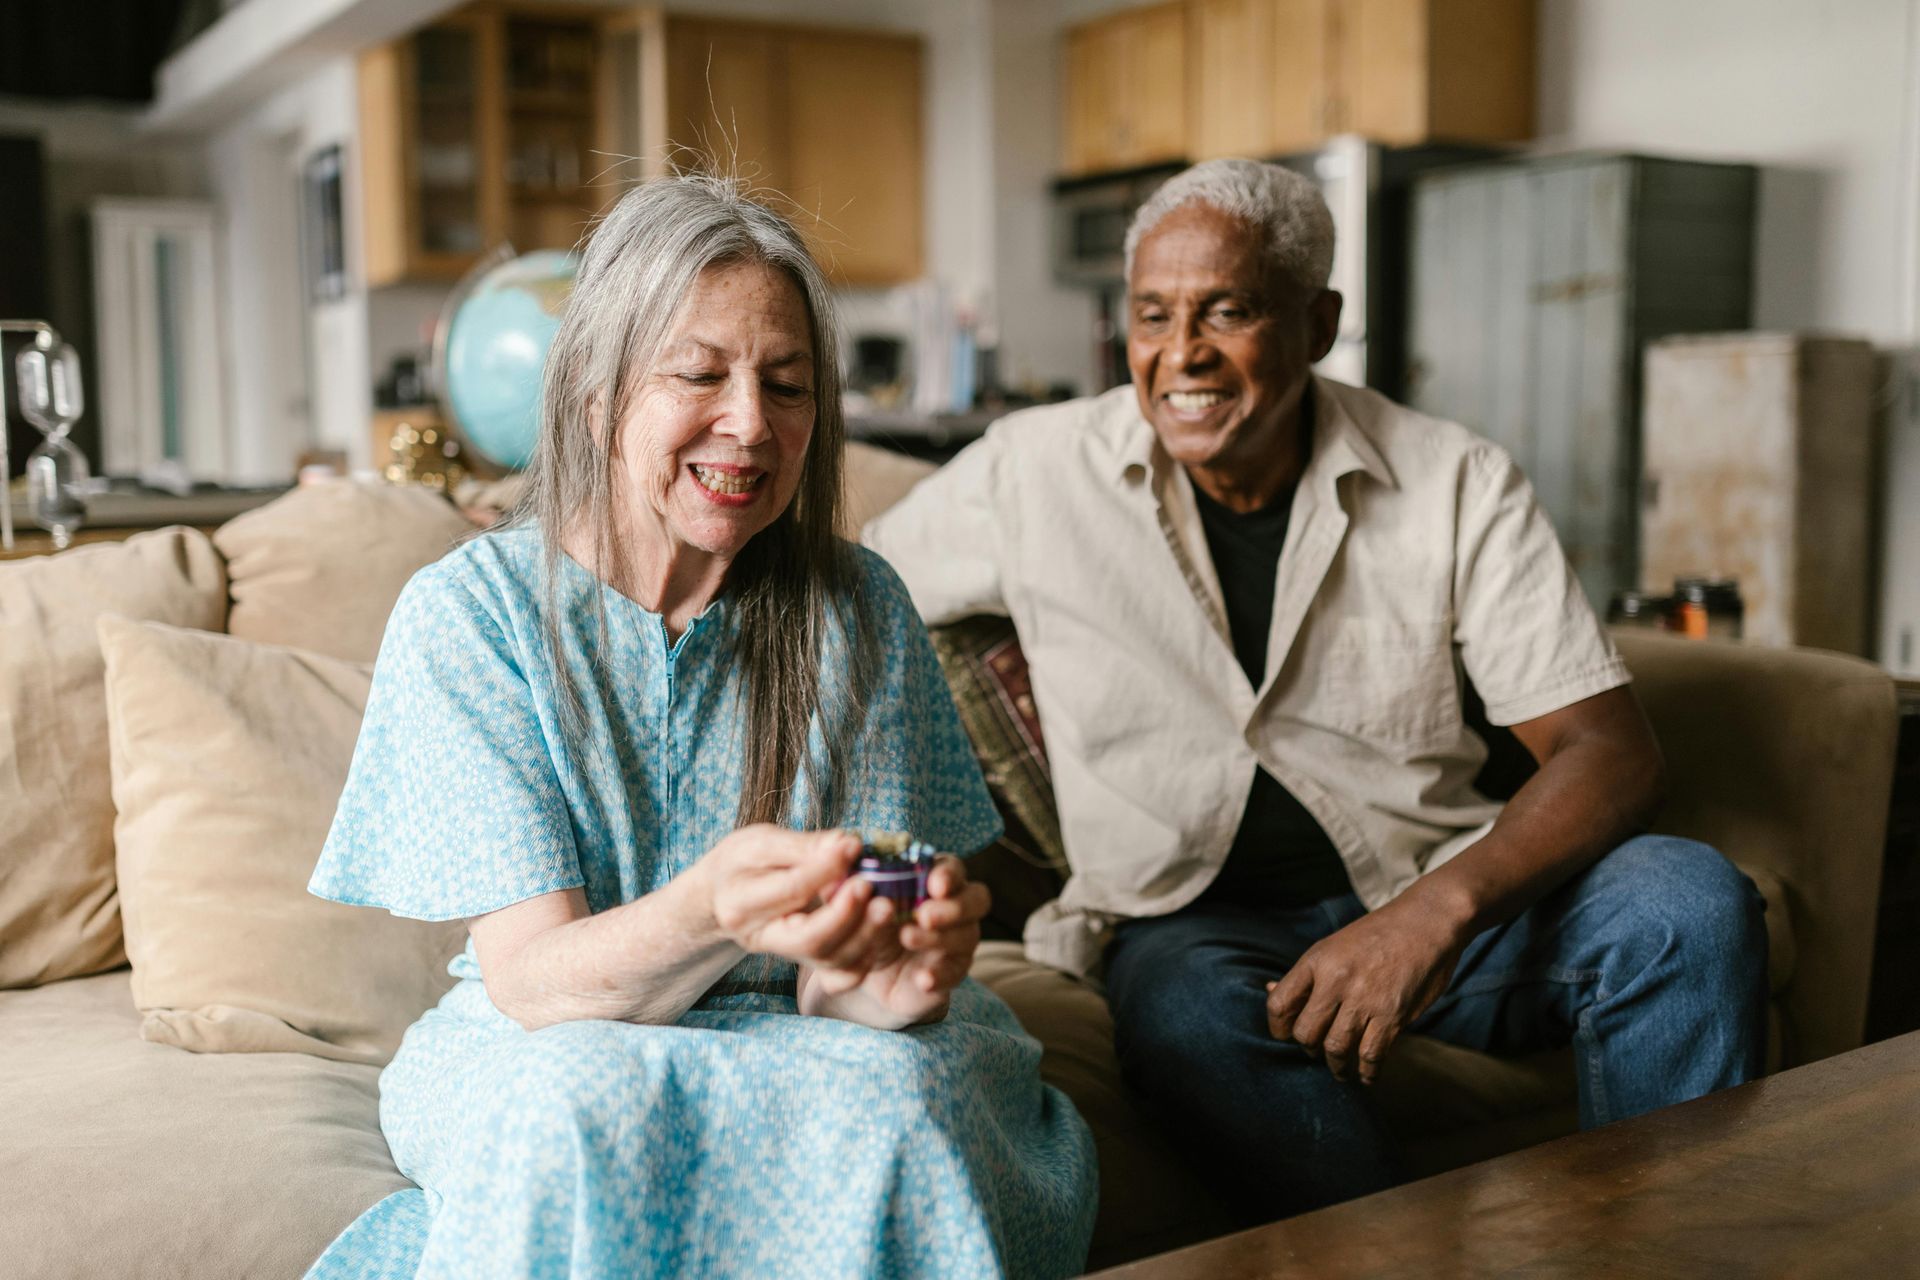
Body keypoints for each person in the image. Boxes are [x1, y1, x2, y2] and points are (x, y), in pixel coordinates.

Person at [864, 158, 1767, 1227]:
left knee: (1687, 903)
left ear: (1320, 320)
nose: (1182, 354)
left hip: (1432, 883)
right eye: (1153, 315)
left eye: (1229, 310)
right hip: (1184, 923)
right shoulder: (1030, 470)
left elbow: (1613, 752)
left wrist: (1431, 912)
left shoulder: (1453, 481)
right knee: (1189, 1019)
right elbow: (841, 600)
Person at [304, 175, 1098, 1279]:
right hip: (556, 1028)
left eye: (787, 385)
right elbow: (537, 983)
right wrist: (711, 906)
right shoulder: (470, 618)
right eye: (699, 374)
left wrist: (896, 976)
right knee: (577, 1101)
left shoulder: (858, 609)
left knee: (904, 1094)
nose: (750, 424)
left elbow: (839, 986)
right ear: (596, 392)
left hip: (806, 1035)